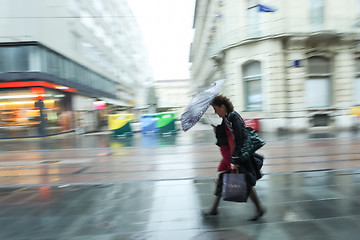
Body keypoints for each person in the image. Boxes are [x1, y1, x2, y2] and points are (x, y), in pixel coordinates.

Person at [202, 95, 265, 221]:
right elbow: (227, 134)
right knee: (224, 178)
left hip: (236, 156)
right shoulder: (227, 118)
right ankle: (214, 209)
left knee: (240, 181)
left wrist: (234, 159)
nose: (215, 112)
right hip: (231, 155)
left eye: (215, 109)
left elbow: (238, 138)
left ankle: (259, 208)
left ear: (223, 106)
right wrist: (217, 130)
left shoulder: (233, 117)